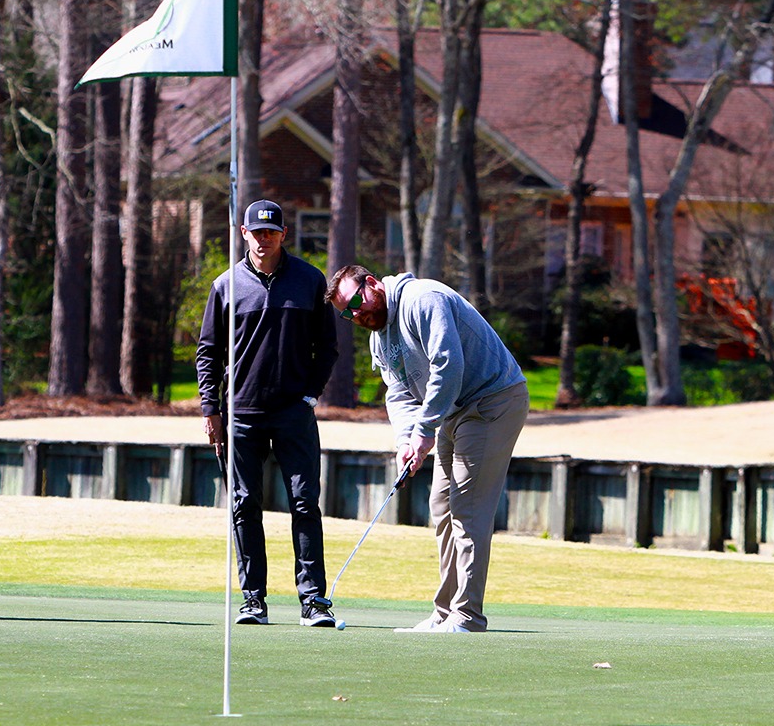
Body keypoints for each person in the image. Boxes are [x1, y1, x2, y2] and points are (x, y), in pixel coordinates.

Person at [326, 264, 528, 634]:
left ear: (372, 283)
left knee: (467, 509)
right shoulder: (378, 337)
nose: (356, 314)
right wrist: (406, 441)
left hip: (492, 400)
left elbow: (448, 364)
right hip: (454, 411)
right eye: (346, 312)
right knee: (441, 505)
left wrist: (424, 431)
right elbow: (400, 392)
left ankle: (467, 617)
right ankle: (445, 612)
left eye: (357, 301)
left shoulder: (423, 299)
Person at [196, 199, 340, 627]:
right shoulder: (226, 285)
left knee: (304, 503)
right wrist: (211, 408)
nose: (264, 240)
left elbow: (327, 349)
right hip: (242, 414)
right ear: (244, 234)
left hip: (294, 412)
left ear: (283, 235)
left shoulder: (310, 281)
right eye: (257, 233)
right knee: (244, 505)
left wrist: (311, 395)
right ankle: (253, 599)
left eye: (271, 233)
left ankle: (313, 600)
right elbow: (208, 352)